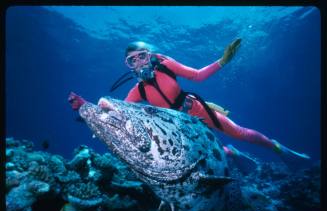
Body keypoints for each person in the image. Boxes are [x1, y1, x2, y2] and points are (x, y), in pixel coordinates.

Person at [68, 40, 310, 163]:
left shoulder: (165, 65)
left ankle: (278, 148)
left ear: (150, 56)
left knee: (240, 132)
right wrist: (85, 108)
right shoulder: (137, 90)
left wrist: (223, 60)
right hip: (177, 130)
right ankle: (229, 153)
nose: (139, 64)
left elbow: (197, 75)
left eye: (142, 57)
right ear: (128, 66)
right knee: (197, 162)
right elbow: (116, 111)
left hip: (196, 110)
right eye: (132, 61)